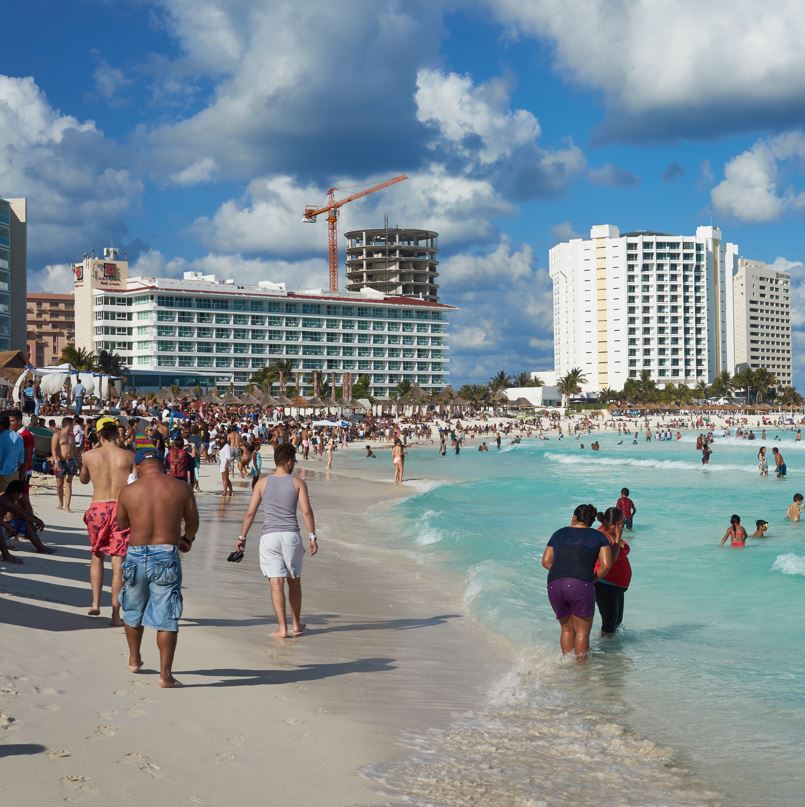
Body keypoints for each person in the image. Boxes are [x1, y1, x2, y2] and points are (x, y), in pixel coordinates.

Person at [116, 439, 199, 688]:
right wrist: (186, 539)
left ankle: (134, 659)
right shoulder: (181, 488)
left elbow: (122, 526)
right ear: (162, 464)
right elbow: (193, 522)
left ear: (138, 467)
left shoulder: (129, 491)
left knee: (133, 611)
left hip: (135, 553)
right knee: (166, 617)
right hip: (166, 553)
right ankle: (165, 675)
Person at [233, 443, 317, 639]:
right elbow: (306, 511)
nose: (294, 465)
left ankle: (282, 629)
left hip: (269, 537)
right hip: (291, 536)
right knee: (294, 581)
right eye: (294, 461)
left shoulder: (262, 483)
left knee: (276, 583)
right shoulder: (298, 483)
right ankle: (296, 624)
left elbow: (250, 513)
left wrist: (242, 537)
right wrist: (312, 536)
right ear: (288, 462)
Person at [79, 416, 134, 624]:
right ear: (116, 433)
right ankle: (115, 614)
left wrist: (90, 456)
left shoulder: (89, 455)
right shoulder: (128, 456)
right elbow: (134, 484)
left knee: (97, 555)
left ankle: (95, 604)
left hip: (98, 507)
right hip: (121, 508)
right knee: (118, 561)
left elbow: (83, 480)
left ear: (100, 434)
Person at [541, 504, 612, 658]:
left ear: (574, 517)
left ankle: (567, 666)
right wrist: (592, 578)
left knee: (566, 629)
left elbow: (546, 562)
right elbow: (606, 565)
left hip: (554, 583)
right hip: (581, 583)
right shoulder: (599, 536)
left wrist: (564, 572)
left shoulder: (558, 533)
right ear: (591, 521)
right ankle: (581, 673)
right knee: (582, 631)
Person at [594, 507, 631, 636]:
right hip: (605, 584)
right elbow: (611, 560)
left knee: (617, 621)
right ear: (612, 524)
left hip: (616, 586)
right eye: (621, 522)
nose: (623, 525)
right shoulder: (602, 536)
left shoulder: (611, 532)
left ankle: (614, 652)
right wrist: (619, 535)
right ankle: (605, 653)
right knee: (609, 624)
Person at [0, 480, 53, 556]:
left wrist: (37, 520)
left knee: (25, 523)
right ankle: (40, 548)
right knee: (25, 524)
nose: (19, 496)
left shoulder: (6, 497)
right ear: (15, 492)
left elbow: (22, 511)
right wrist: (37, 521)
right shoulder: (5, 501)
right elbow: (22, 515)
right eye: (19, 494)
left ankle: (41, 547)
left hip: (3, 527)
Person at [51, 417, 80, 511]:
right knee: (59, 484)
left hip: (70, 460)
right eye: (72, 425)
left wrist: (79, 462)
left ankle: (67, 505)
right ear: (68, 424)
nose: (73, 426)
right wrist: (55, 461)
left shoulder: (72, 435)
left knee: (69, 482)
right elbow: (53, 449)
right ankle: (60, 502)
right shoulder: (57, 435)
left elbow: (74, 450)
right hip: (60, 461)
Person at [0, 413, 24, 495]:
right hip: (14, 474)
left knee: (3, 503)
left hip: (2, 475)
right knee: (12, 503)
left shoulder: (1, 437)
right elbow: (21, 459)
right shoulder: (18, 437)